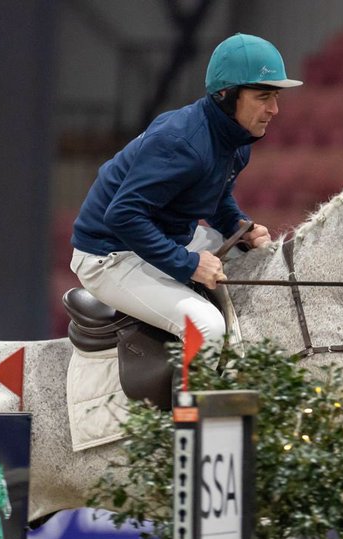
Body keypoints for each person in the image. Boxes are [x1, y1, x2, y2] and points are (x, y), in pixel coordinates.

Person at [70, 33, 301, 344]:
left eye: (276, 96)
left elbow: (215, 197)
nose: (274, 109)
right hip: (109, 253)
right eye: (263, 97)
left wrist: (239, 227)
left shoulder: (236, 141)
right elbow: (122, 216)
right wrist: (188, 264)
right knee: (207, 328)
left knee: (254, 261)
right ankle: (186, 396)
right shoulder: (182, 142)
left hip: (162, 235)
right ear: (227, 95)